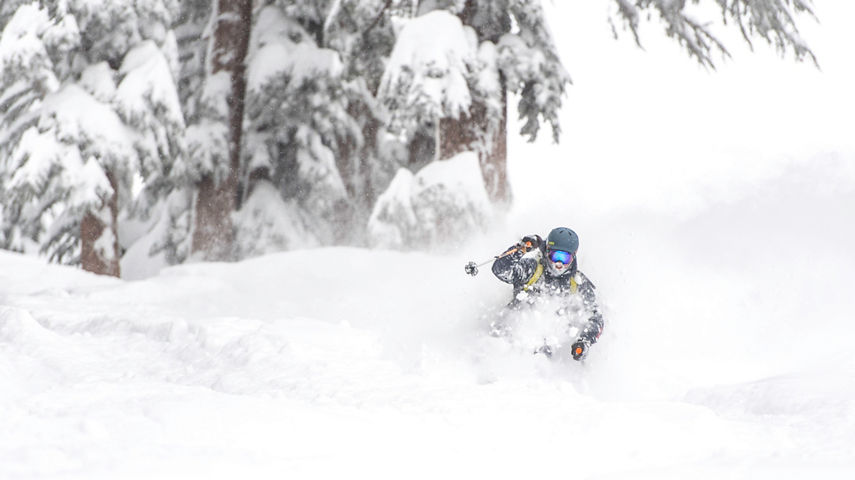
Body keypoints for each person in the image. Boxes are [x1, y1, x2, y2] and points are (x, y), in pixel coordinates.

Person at [489, 227, 604, 361]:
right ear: (547, 251)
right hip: (507, 339)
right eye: (555, 256)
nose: (559, 264)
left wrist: (585, 340)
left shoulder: (578, 284)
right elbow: (500, 270)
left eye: (565, 258)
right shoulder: (532, 269)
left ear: (573, 257)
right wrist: (521, 249)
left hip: (542, 353)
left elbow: (596, 317)